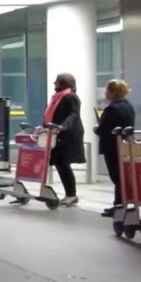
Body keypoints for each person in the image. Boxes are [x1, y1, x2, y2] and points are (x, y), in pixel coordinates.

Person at [95, 79, 135, 217]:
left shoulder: (112, 108)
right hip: (125, 145)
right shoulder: (128, 106)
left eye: (107, 89)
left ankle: (119, 206)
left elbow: (105, 129)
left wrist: (97, 128)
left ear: (113, 91)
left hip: (112, 147)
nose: (105, 92)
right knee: (122, 176)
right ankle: (120, 204)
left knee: (117, 177)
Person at [46, 73, 86, 206]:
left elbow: (73, 115)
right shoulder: (58, 98)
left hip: (68, 135)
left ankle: (71, 195)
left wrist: (62, 127)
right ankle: (69, 194)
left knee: (63, 164)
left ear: (63, 83)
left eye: (56, 82)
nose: (54, 84)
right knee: (60, 164)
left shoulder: (71, 97)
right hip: (58, 135)